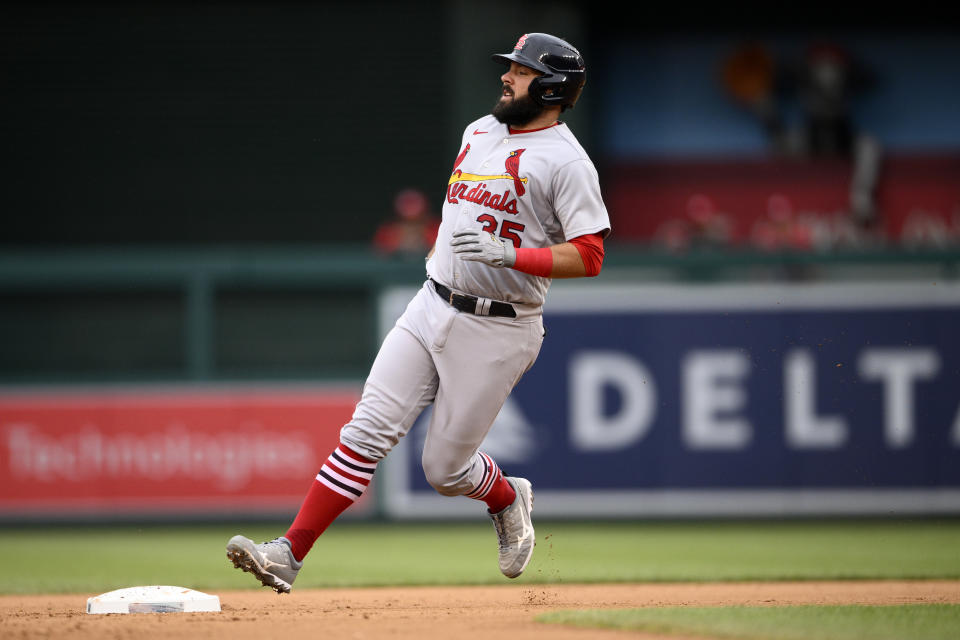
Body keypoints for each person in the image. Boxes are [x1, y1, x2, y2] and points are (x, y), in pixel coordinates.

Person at [226, 32, 611, 593]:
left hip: (498, 325)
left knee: (445, 470)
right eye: (511, 67)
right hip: (432, 301)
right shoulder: (479, 130)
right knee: (364, 432)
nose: (507, 76)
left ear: (551, 86)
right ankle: (288, 554)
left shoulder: (568, 162)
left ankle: (507, 497)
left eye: (522, 71)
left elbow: (591, 255)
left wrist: (514, 255)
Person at [372, 188, 441, 256]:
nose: (411, 228)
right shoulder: (387, 233)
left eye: (417, 222)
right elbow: (379, 257)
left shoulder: (438, 230)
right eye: (407, 223)